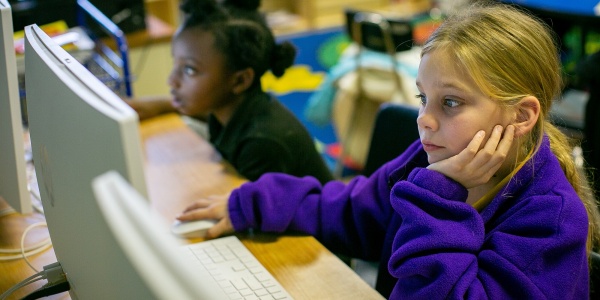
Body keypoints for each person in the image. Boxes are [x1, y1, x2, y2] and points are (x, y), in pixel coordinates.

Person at [176, 2, 600, 299]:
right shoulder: (429, 158)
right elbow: (352, 209)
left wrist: (438, 200)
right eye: (423, 98)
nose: (425, 120)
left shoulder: (549, 220)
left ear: (522, 116)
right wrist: (254, 202)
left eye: (450, 102)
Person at [127, 0, 333, 184]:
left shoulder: (262, 144)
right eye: (175, 62)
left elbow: (258, 218)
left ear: (240, 80)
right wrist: (160, 105)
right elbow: (205, 115)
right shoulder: (234, 108)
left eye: (189, 69)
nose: (171, 80)